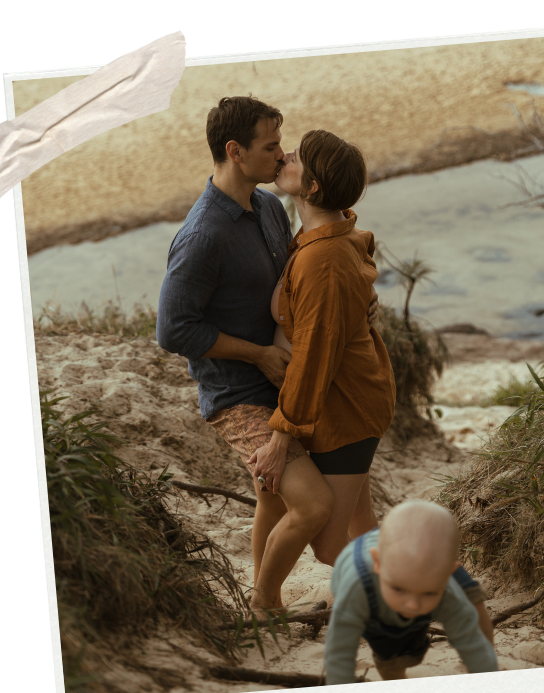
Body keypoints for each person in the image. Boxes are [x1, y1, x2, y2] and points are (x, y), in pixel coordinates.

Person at [156, 98, 381, 610]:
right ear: (235, 152)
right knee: (312, 504)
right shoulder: (202, 236)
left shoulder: (267, 208)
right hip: (238, 391)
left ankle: (269, 601)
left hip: (284, 380)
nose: (282, 156)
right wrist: (258, 354)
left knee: (269, 500)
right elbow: (172, 330)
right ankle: (263, 604)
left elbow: (313, 272)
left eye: (283, 146)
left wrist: (359, 297)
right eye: (272, 146)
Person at [245, 128, 397, 609]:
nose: (285, 156)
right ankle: (382, 593)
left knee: (332, 545)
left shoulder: (323, 259)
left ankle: (411, 585)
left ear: (311, 188)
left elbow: (313, 355)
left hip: (346, 408)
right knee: (355, 525)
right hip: (334, 399)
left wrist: (281, 435)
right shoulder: (322, 236)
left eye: (297, 158)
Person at [322, 501, 497, 684]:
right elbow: (339, 655)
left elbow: (472, 643)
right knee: (392, 654)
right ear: (378, 563)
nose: (413, 604)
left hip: (428, 552)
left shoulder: (445, 587)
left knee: (471, 601)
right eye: (398, 589)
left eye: (428, 593)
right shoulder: (356, 590)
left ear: (449, 574)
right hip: (370, 578)